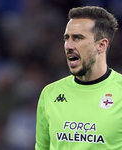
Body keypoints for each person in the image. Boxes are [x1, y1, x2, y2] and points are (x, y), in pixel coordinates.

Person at [35, 6, 122, 150]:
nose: (68, 45)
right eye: (66, 38)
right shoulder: (50, 93)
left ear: (101, 45)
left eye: (78, 38)